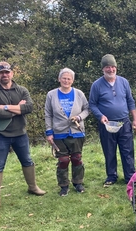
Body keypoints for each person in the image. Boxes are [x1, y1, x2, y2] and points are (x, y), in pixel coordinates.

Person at [0, 61, 46, 210]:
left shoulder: (22, 90)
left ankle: (33, 187)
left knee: (27, 160)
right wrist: (18, 108)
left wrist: (5, 107)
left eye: (7, 72)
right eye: (1, 72)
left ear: (12, 73)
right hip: (0, 135)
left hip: (20, 133)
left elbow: (29, 107)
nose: (4, 75)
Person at [89, 54, 136, 187]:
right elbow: (92, 104)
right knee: (109, 151)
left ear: (116, 67)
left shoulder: (124, 82)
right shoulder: (97, 85)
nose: (110, 70)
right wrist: (100, 116)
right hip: (107, 124)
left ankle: (130, 176)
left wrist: (135, 120)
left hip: (124, 122)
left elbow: (130, 101)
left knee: (127, 150)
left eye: (112, 67)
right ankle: (111, 176)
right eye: (107, 67)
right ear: (102, 69)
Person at [45, 68, 89, 196]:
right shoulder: (51, 95)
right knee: (63, 160)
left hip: (77, 131)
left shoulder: (79, 94)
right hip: (59, 132)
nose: (66, 80)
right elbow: (48, 114)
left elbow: (87, 109)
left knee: (77, 158)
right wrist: (49, 132)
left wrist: (79, 117)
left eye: (69, 78)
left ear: (73, 80)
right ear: (59, 79)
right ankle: (63, 185)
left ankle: (78, 182)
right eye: (64, 78)